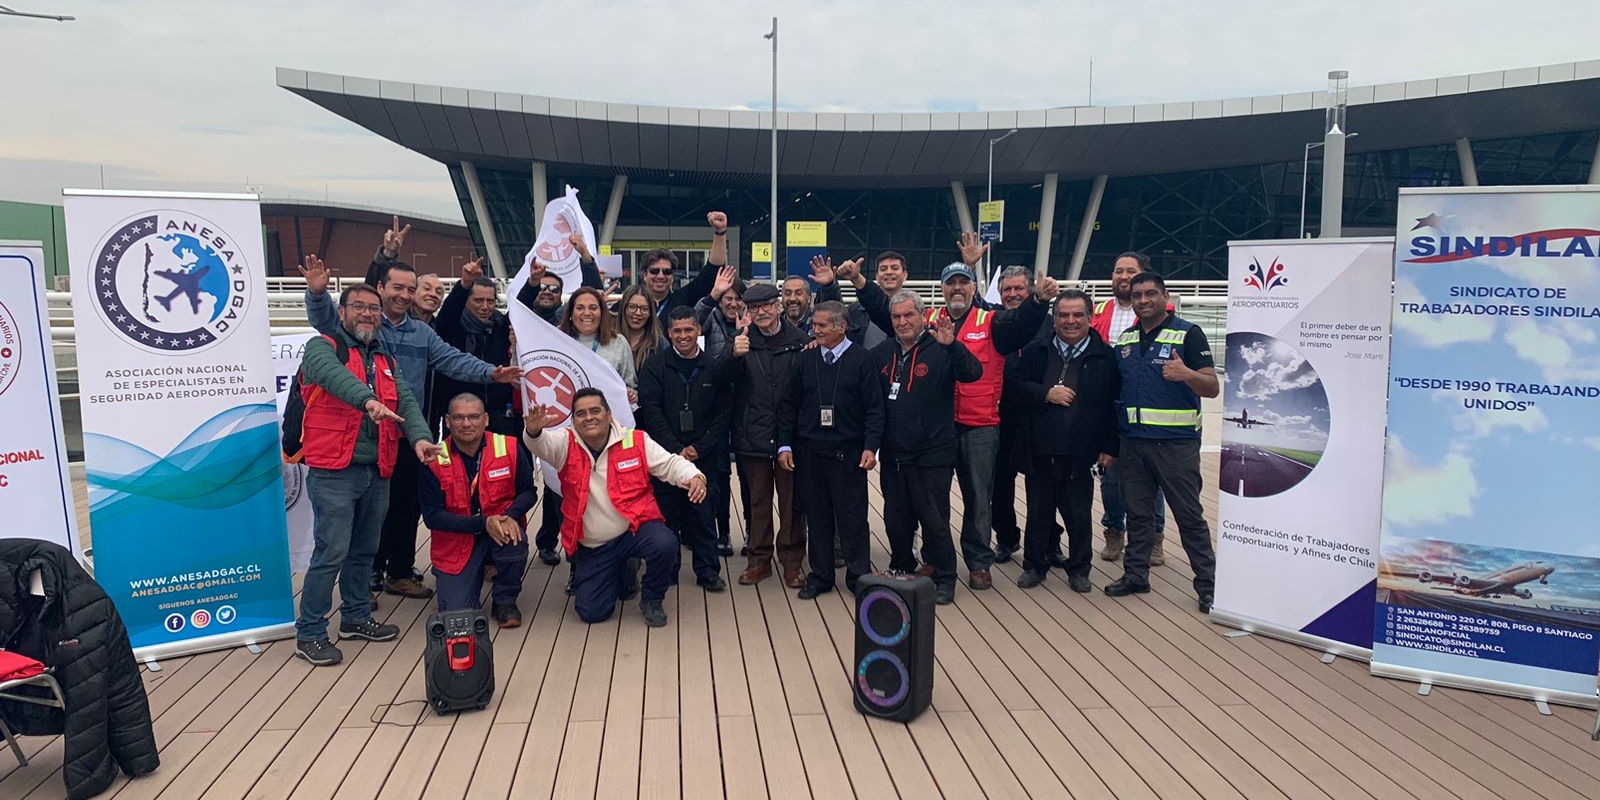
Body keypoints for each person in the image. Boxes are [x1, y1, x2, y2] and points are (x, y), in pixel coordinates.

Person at [301, 253, 521, 602]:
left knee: (405, 505)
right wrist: (316, 294)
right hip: (356, 437)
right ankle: (365, 581)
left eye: (410, 288)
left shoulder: (421, 332)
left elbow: (452, 359)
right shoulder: (366, 328)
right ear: (381, 288)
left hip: (409, 434)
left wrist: (491, 373)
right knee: (352, 523)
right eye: (397, 288)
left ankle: (398, 572)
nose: (404, 294)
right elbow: (328, 323)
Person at [293, 283, 440, 666]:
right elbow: (333, 378)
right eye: (358, 307)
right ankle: (309, 632)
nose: (368, 314)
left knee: (364, 550)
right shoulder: (323, 347)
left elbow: (406, 399)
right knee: (331, 552)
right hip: (334, 471)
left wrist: (421, 438)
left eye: (374, 309)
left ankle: (355, 618)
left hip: (378, 468)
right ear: (341, 312)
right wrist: (368, 400)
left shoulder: (383, 358)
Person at [522, 389, 707, 627]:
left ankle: (652, 599)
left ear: (609, 414)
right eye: (581, 414)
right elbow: (540, 444)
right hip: (594, 545)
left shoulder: (635, 440)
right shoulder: (564, 444)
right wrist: (534, 430)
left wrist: (695, 477)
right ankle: (622, 569)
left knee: (665, 543)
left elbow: (670, 464)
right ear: (573, 420)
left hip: (633, 529)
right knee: (592, 613)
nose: (589, 417)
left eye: (595, 411)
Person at [926, 254, 1054, 591]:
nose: (957, 288)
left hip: (980, 425)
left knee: (979, 499)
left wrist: (1039, 301)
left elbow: (1024, 326)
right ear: (941, 289)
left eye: (963, 282)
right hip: (937, 426)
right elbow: (887, 312)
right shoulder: (927, 320)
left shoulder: (992, 321)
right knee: (932, 498)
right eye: (950, 282)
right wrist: (861, 286)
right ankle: (934, 558)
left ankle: (978, 562)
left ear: (974, 288)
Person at [1104, 272, 1220, 612]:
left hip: (1175, 445)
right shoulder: (1125, 341)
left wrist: (1187, 375)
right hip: (1134, 444)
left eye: (1150, 293)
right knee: (1138, 515)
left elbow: (1211, 387)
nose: (1143, 300)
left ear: (1164, 295)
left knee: (1189, 517)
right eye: (1137, 294)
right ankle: (1136, 575)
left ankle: (1208, 587)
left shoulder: (1188, 334)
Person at [1009, 290, 1121, 592]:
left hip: (1080, 451)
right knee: (1038, 511)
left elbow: (1113, 404)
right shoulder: (1036, 351)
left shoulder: (1105, 356)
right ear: (1054, 318)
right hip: (1040, 446)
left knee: (1078, 514)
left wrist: (1110, 446)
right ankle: (1034, 565)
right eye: (1063, 315)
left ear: (1089, 317)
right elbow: (1014, 389)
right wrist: (1045, 393)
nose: (1070, 321)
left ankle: (1079, 569)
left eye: (1077, 315)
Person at [872, 291, 980, 605]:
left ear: (923, 316)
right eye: (896, 317)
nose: (903, 322)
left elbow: (973, 373)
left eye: (909, 315)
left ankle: (944, 576)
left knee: (934, 520)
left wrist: (954, 346)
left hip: (931, 454)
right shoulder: (882, 352)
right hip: (893, 455)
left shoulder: (942, 347)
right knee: (896, 519)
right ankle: (902, 568)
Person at [778, 300, 884, 598]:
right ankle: (821, 575)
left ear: (842, 326)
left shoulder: (863, 360)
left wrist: (871, 446)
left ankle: (858, 575)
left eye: (822, 325)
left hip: (848, 454)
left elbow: (874, 409)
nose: (816, 330)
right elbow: (789, 406)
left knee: (852, 518)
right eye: (815, 325)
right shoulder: (805, 359)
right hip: (810, 453)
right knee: (817, 516)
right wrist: (785, 444)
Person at [533, 285, 640, 574]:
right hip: (565, 434)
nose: (586, 313)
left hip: (606, 436)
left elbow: (630, 384)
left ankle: (620, 566)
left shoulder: (617, 343)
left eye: (593, 307)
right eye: (580, 307)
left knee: (610, 498)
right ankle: (577, 568)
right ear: (570, 312)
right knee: (568, 500)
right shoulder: (555, 341)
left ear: (602, 312)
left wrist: (630, 394)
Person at [418, 393, 538, 626]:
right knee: (459, 614)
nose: (466, 424)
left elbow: (528, 492)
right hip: (456, 542)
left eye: (473, 417)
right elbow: (432, 517)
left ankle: (505, 600)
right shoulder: (433, 459)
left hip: (501, 529)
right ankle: (456, 575)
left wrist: (508, 517)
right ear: (447, 421)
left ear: (485, 419)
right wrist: (484, 523)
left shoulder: (510, 447)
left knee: (515, 539)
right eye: (459, 418)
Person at [636, 307, 731, 591]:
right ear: (668, 333)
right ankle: (669, 570)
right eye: (677, 331)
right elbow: (650, 412)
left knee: (703, 517)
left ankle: (708, 571)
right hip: (665, 457)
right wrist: (676, 450)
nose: (683, 336)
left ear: (699, 331)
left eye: (688, 329)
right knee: (666, 517)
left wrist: (697, 450)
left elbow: (723, 414)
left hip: (705, 458)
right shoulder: (655, 367)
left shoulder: (714, 367)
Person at [724, 283, 810, 587]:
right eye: (754, 307)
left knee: (791, 503)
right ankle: (759, 560)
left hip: (791, 436)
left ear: (778, 306)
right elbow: (723, 381)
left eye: (767, 305)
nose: (761, 312)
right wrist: (733, 355)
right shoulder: (741, 341)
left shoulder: (802, 341)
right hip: (753, 434)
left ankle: (791, 562)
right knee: (758, 502)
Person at [1091, 251, 1170, 563]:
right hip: (1109, 406)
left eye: (1129, 271)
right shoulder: (1097, 311)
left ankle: (1154, 538)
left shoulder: (1157, 313)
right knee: (1109, 473)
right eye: (1117, 271)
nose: (1122, 277)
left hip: (1147, 404)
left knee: (1153, 476)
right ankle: (1113, 531)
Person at [991, 265, 1044, 564]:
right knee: (1000, 483)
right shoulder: (994, 321)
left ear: (1030, 291)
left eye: (1018, 289)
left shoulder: (1050, 323)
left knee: (1042, 484)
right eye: (1007, 289)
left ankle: (1048, 542)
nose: (1012, 294)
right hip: (1003, 415)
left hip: (1040, 414)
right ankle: (1007, 538)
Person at [693, 266, 745, 556]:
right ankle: (720, 530)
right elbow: (691, 320)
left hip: (745, 405)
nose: (733, 303)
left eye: (738, 298)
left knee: (748, 474)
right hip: (714, 404)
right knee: (719, 471)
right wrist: (712, 295)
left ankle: (749, 531)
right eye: (728, 298)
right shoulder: (711, 318)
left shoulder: (749, 322)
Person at [435, 258, 519, 435]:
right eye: (479, 301)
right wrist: (465, 284)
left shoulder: (499, 326)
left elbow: (520, 310)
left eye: (490, 301)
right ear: (466, 300)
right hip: (460, 416)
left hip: (499, 415)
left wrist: (533, 284)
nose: (485, 307)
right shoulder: (452, 327)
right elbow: (451, 309)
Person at [637, 211, 729, 325]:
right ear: (644, 274)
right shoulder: (631, 305)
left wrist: (720, 232)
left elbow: (712, 271)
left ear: (672, 276)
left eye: (667, 272)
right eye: (654, 271)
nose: (660, 276)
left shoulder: (682, 300)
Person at [843, 252, 906, 348]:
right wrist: (829, 284)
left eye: (895, 268)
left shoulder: (913, 311)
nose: (889, 272)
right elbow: (834, 321)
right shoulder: (854, 310)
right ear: (877, 276)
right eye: (883, 269)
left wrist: (858, 280)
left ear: (905, 275)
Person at [618, 284, 665, 376]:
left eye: (644, 309)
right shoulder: (610, 340)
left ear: (650, 313)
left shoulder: (659, 345)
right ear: (624, 308)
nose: (638, 313)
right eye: (632, 307)